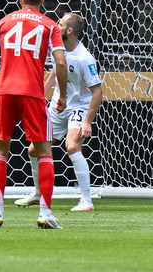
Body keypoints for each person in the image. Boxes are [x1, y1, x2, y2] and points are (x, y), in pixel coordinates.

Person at [0, 0, 68, 229]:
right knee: (44, 153)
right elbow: (60, 63)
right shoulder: (50, 26)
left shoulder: (4, 22)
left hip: (4, 93)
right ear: (42, 0)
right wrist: (62, 95)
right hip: (32, 94)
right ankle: (45, 213)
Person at [15, 13, 102, 213]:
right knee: (33, 150)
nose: (56, 25)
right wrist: (42, 93)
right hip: (58, 105)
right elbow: (57, 71)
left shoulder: (84, 58)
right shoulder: (58, 47)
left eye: (61, 24)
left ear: (69, 31)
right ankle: (38, 194)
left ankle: (87, 200)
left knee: (71, 146)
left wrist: (87, 121)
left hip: (79, 106)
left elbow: (97, 92)